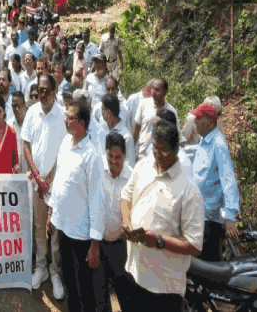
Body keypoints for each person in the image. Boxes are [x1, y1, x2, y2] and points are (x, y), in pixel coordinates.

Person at [120, 120, 205, 311]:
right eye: (154, 147)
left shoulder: (188, 190)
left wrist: (159, 241)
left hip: (164, 287)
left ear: (175, 150)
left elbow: (195, 244)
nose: (156, 154)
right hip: (134, 272)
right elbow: (126, 195)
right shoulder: (144, 166)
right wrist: (126, 222)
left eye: (162, 150)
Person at [46, 102, 106, 310]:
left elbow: (97, 200)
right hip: (62, 226)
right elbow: (59, 180)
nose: (65, 120)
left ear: (81, 123)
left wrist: (95, 243)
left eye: (69, 117)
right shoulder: (65, 143)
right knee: (68, 280)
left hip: (81, 235)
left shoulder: (92, 156)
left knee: (85, 288)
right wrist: (51, 211)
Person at [21, 74, 67, 296]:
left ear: (55, 91)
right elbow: (26, 146)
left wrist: (49, 179)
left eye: (47, 90)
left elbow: (66, 151)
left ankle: (55, 271)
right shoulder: (31, 112)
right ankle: (41, 267)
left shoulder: (63, 116)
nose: (42, 94)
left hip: (57, 185)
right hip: (36, 183)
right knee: (39, 228)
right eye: (40, 90)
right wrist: (38, 177)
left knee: (55, 230)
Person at [190, 103, 240, 262]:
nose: (195, 122)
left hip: (211, 220)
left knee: (209, 267)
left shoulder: (218, 144)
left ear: (210, 122)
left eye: (199, 118)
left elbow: (228, 179)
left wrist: (230, 216)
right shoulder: (204, 142)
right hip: (200, 217)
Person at [96, 133, 134, 312]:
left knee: (125, 292)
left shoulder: (132, 178)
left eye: (118, 157)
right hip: (99, 244)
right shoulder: (97, 170)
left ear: (125, 156)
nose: (113, 162)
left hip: (121, 247)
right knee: (100, 294)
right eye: (110, 156)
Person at [133, 78, 179, 161]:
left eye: (157, 90)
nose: (153, 92)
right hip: (142, 156)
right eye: (152, 89)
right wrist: (131, 148)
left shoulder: (171, 111)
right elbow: (136, 129)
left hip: (161, 159)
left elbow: (176, 136)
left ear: (165, 92)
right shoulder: (144, 104)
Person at [96, 94, 136, 168]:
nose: (101, 112)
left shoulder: (126, 136)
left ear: (108, 112)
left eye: (102, 109)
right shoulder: (101, 130)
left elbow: (130, 165)